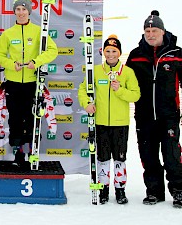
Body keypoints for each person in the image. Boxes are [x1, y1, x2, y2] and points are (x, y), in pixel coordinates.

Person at [127, 13, 182, 208]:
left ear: (162, 31)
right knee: (148, 156)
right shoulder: (135, 55)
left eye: (154, 31)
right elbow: (126, 82)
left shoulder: (176, 53)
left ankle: (178, 191)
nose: (150, 35)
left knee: (172, 155)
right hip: (144, 116)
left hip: (169, 116)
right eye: (147, 31)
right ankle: (154, 191)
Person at [0, 0, 58, 166]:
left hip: (32, 82)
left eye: (24, 9)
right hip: (13, 83)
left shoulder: (38, 31)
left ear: (29, 11)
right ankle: (18, 153)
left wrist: (36, 62)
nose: (21, 13)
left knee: (31, 117)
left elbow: (53, 50)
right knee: (15, 117)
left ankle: (32, 151)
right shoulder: (8, 34)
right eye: (18, 9)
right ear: (14, 12)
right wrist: (10, 64)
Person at [78, 34, 140, 204]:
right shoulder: (96, 71)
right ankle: (103, 189)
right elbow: (83, 89)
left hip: (120, 124)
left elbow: (136, 95)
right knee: (103, 158)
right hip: (101, 122)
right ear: (103, 52)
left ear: (119, 53)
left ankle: (120, 190)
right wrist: (87, 104)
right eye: (107, 51)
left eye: (114, 51)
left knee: (120, 158)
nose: (110, 54)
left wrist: (119, 90)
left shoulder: (127, 72)